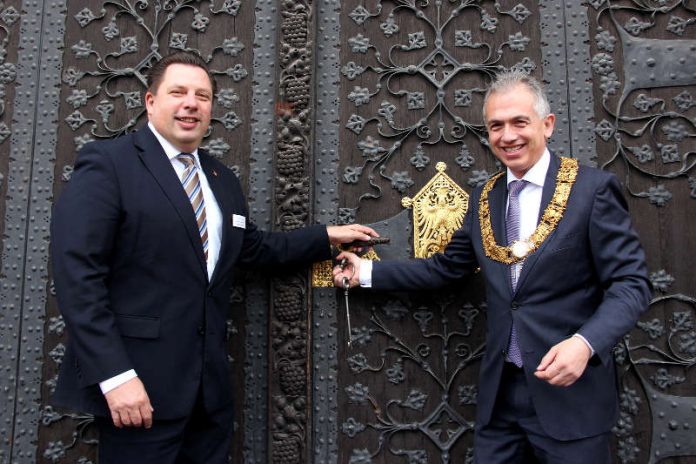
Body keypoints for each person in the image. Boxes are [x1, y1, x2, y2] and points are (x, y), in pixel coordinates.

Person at [51, 51, 376, 464]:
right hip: (138, 391)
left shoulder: (221, 179)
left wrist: (325, 237)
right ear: (151, 102)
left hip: (207, 398)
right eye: (179, 92)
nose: (191, 103)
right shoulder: (109, 164)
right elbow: (78, 274)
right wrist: (115, 377)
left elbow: (253, 249)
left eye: (202, 96)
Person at [333, 70, 650, 463]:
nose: (508, 135)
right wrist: (365, 272)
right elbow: (447, 269)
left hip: (571, 397)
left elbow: (631, 284)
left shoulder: (592, 190)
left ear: (547, 124)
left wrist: (584, 344)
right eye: (496, 126)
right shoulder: (486, 197)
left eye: (520, 122)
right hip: (501, 400)